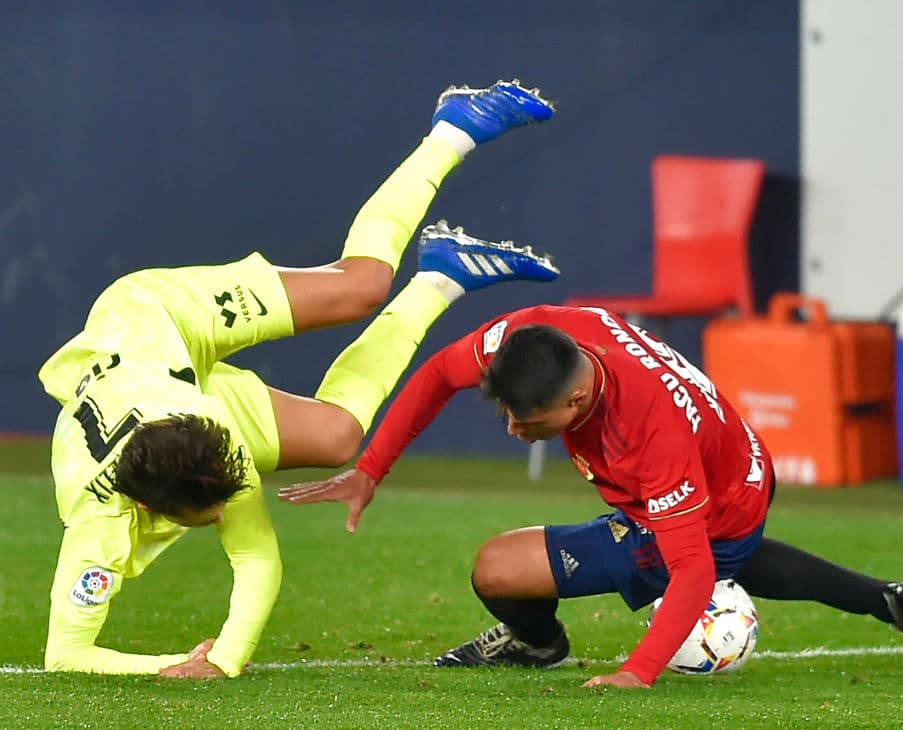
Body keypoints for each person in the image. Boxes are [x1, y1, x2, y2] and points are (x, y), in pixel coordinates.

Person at [37, 80, 559, 679]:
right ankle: (441, 277)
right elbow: (67, 656)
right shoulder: (96, 522)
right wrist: (181, 664)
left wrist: (223, 660)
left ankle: (453, 129)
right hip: (156, 376)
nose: (228, 511)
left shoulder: (213, 438)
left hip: (155, 315)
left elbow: (255, 557)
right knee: (338, 437)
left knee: (359, 285)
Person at [280, 304, 903, 688]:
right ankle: (888, 600)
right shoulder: (538, 335)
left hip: (714, 498)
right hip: (726, 468)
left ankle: (536, 647)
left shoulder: (650, 435)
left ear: (579, 396)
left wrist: (637, 673)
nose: (513, 428)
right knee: (726, 549)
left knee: (496, 568)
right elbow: (439, 371)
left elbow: (695, 571)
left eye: (527, 421)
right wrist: (372, 467)